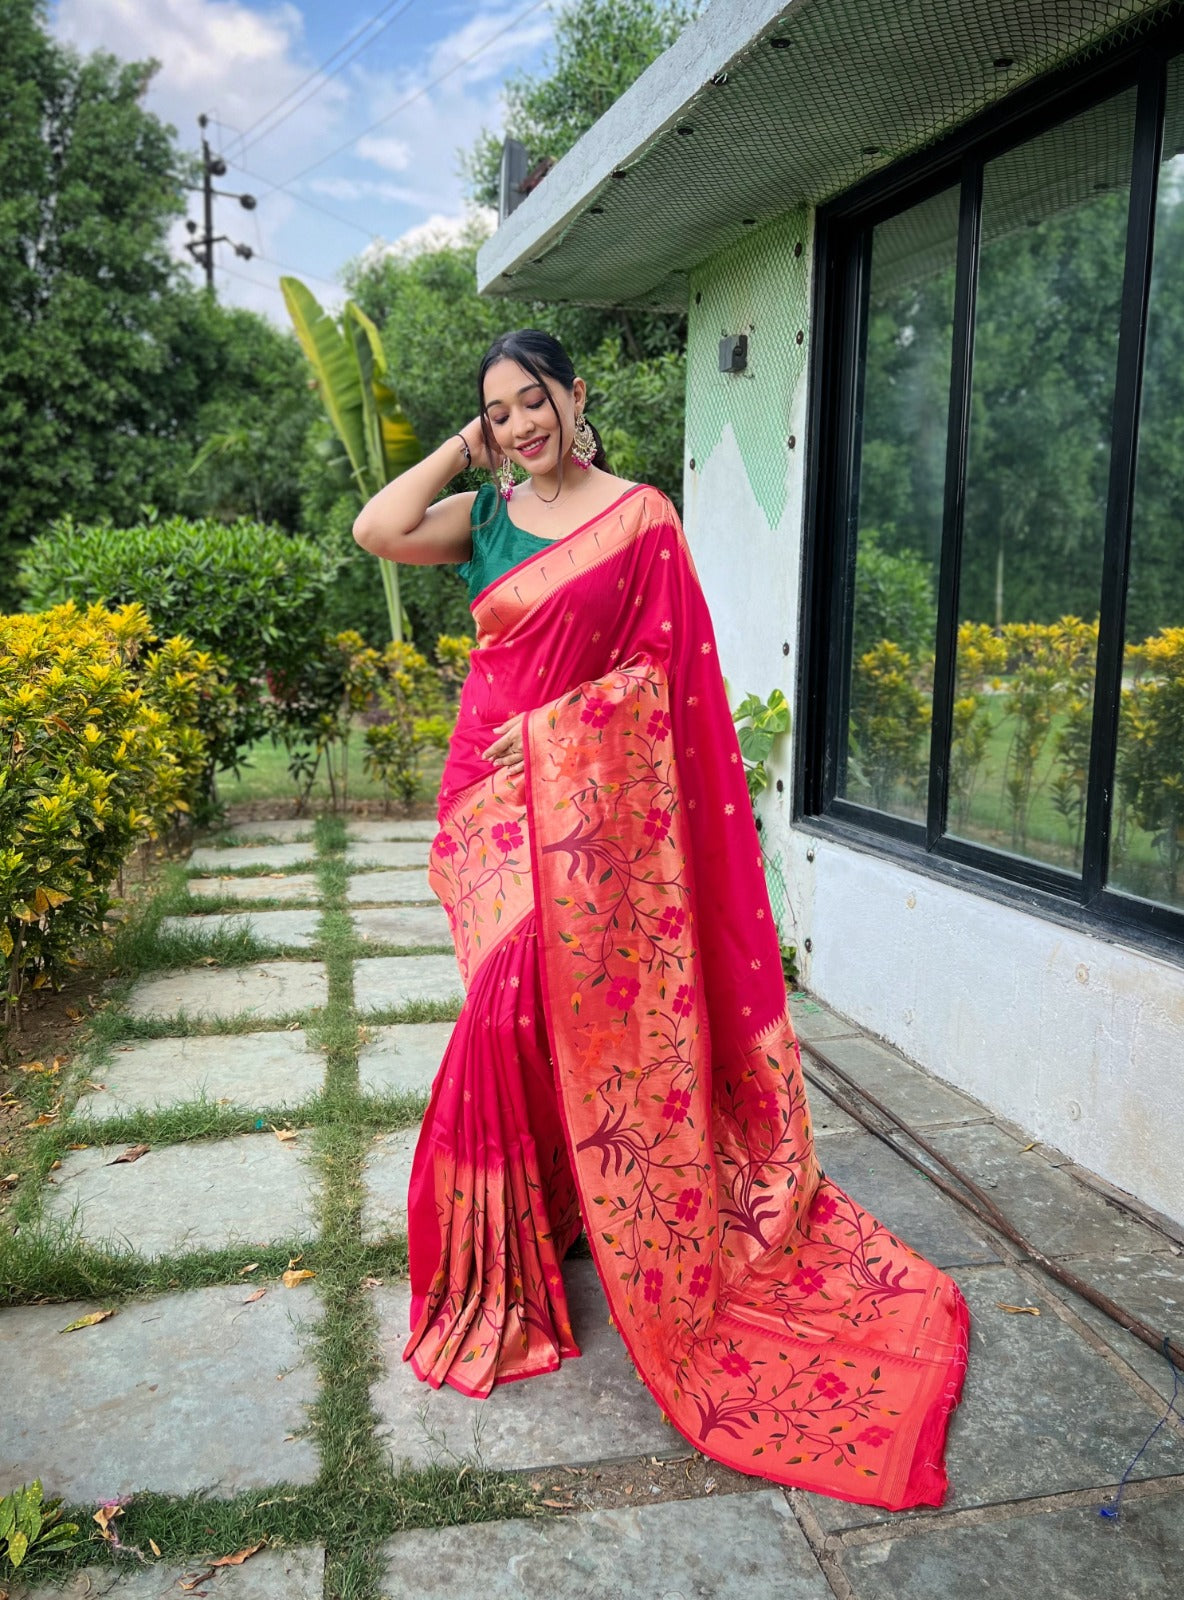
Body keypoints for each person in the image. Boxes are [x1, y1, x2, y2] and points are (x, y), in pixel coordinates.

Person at [352, 329, 969, 1511]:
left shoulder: (638, 519)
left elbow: (660, 682)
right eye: (497, 412)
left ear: (574, 399)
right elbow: (377, 528)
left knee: (530, 1002)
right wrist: (458, 449)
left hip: (583, 815)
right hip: (486, 802)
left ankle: (532, 1243)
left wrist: (561, 750)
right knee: (511, 1005)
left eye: (532, 403)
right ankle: (538, 1221)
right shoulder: (481, 517)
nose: (520, 427)